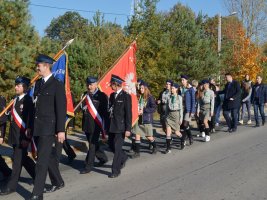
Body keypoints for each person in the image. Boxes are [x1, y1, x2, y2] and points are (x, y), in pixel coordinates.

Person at [29, 54, 66, 200]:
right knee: (48, 156)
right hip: (37, 126)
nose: (37, 67)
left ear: (46, 66)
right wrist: (31, 126)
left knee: (41, 161)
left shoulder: (57, 85)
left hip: (48, 128)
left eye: (39, 65)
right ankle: (58, 181)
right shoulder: (38, 84)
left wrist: (61, 130)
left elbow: (61, 109)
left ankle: (37, 193)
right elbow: (35, 106)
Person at [0, 76, 36, 195]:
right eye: (16, 85)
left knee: (17, 161)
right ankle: (37, 174)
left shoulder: (28, 101)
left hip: (22, 137)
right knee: (23, 158)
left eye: (18, 85)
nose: (15, 87)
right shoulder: (15, 100)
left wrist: (27, 138)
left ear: (25, 87)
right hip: (15, 136)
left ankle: (11, 186)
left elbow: (30, 122)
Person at [79, 76, 108, 174]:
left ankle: (88, 165)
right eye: (88, 84)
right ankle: (103, 158)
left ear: (96, 84)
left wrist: (105, 127)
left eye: (91, 84)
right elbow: (80, 108)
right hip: (86, 124)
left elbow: (105, 113)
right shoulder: (84, 95)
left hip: (96, 125)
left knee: (91, 145)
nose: (89, 87)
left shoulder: (102, 96)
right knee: (93, 143)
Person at [108, 74, 132, 178]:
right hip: (111, 126)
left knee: (117, 149)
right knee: (111, 146)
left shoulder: (126, 96)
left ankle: (115, 170)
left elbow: (128, 113)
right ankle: (124, 156)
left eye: (111, 84)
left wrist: (128, 128)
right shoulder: (112, 96)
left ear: (116, 84)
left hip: (120, 127)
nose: (110, 86)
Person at [131, 81, 157, 158]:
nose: (141, 89)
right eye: (140, 88)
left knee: (148, 136)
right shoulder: (140, 96)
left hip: (146, 119)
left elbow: (154, 108)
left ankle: (155, 147)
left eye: (142, 88)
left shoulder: (150, 97)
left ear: (146, 89)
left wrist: (144, 110)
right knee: (137, 134)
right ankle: (137, 152)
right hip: (139, 119)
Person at [164, 83, 183, 153]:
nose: (171, 89)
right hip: (169, 116)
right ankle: (168, 148)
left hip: (176, 115)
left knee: (176, 132)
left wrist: (181, 119)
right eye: (171, 88)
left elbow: (181, 109)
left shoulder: (179, 97)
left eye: (173, 88)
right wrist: (165, 117)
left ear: (176, 89)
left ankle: (182, 140)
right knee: (168, 133)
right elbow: (166, 109)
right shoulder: (169, 97)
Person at [180, 75, 196, 150]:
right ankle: (190, 136)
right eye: (181, 80)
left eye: (183, 80)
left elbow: (193, 100)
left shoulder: (190, 89)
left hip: (188, 110)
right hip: (182, 109)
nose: (182, 81)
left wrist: (192, 111)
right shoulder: (181, 89)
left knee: (185, 124)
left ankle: (183, 141)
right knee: (184, 126)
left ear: (186, 81)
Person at [0, 95, 12, 181]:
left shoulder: (1, 99)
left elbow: (3, 119)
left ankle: (7, 171)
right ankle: (6, 171)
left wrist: (1, 135)